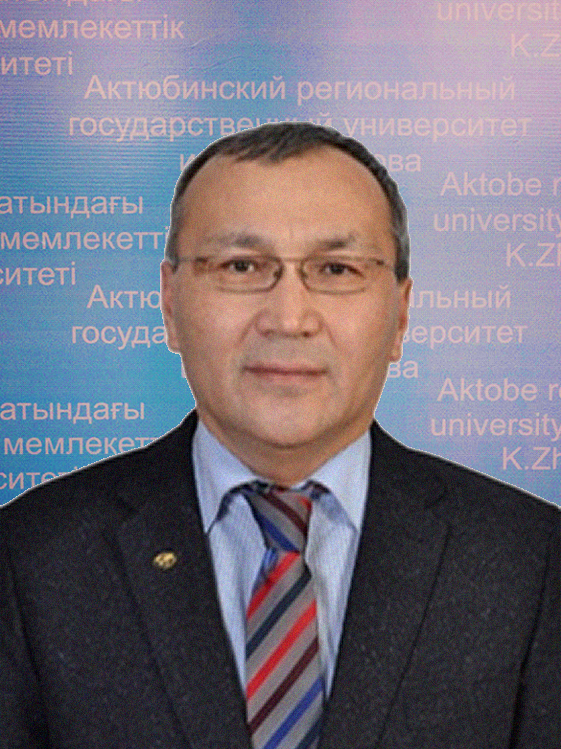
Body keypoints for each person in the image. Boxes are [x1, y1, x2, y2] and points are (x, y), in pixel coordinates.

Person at [1, 123, 559, 749]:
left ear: (400, 314)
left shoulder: (530, 562)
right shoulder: (32, 558)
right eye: (241, 266)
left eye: (336, 269)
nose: (289, 318)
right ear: (170, 303)